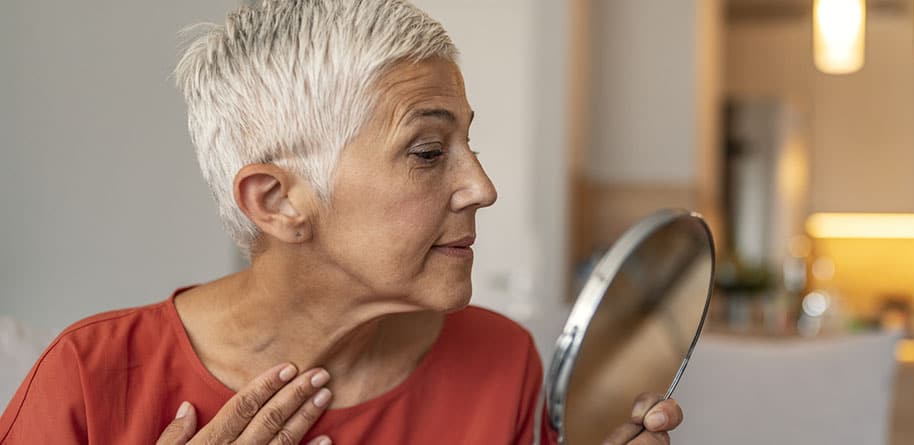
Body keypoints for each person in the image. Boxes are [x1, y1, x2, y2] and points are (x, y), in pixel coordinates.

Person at [0, 1, 683, 443]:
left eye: (469, 145)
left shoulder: (504, 367)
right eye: (427, 152)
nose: (482, 186)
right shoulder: (89, 382)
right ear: (277, 202)